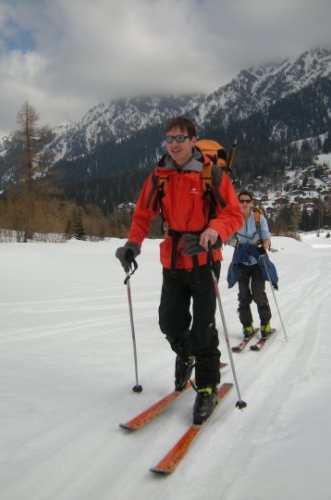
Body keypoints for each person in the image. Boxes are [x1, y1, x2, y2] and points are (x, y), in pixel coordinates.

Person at [115, 116, 243, 425]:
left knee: (204, 329)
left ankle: (208, 386)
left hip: (203, 260)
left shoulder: (211, 175)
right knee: (169, 322)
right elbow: (144, 214)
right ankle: (184, 354)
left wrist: (214, 231)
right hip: (172, 260)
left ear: (193, 140)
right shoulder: (160, 175)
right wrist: (133, 244)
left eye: (180, 138)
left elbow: (233, 213)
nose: (174, 144)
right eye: (169, 138)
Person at [230, 190, 273, 339]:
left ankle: (265, 323)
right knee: (243, 295)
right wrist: (237, 244)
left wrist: (263, 246)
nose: (244, 203)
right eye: (241, 201)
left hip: (257, 261)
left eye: (247, 201)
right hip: (241, 261)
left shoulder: (258, 219)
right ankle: (246, 325)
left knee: (258, 293)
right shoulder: (233, 219)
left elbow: (267, 238)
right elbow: (229, 238)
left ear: (252, 202)